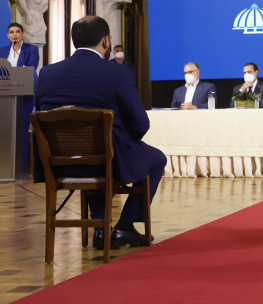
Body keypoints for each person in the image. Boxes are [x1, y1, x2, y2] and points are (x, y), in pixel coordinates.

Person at [35, 15, 166, 249]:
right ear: (106, 41)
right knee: (157, 159)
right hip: (108, 160)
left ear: (74, 40)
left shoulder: (47, 73)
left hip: (59, 163)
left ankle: (100, 230)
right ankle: (125, 226)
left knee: (98, 155)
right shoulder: (116, 72)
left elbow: (40, 116)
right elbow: (140, 123)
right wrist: (127, 141)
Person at [1, 22, 39, 171]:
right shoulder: (2, 51)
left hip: (25, 95)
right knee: (5, 130)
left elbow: (31, 69)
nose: (14, 34)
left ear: (22, 34)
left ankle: (21, 166)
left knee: (21, 129)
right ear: (7, 35)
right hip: (5, 95)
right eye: (11, 32)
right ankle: (5, 165)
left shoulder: (31, 49)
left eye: (17, 31)